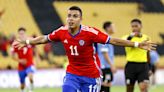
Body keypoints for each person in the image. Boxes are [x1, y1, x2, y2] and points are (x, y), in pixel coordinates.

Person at [13, 6, 156, 92]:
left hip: (91, 76)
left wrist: (137, 44)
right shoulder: (61, 32)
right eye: (69, 16)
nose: (70, 19)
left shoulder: (90, 33)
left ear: (80, 19)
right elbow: (44, 38)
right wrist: (27, 41)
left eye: (75, 16)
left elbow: (112, 40)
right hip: (72, 74)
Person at [122, 19, 152, 92]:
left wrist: (150, 67)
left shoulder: (146, 38)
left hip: (143, 66)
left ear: (141, 26)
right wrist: (131, 37)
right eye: (132, 26)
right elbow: (125, 44)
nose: (134, 28)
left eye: (136, 26)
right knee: (129, 89)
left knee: (144, 88)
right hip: (130, 66)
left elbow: (148, 54)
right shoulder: (125, 38)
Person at [11, 27, 37, 92]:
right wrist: (19, 60)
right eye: (20, 34)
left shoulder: (30, 40)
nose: (21, 35)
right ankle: (22, 90)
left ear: (25, 34)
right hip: (21, 66)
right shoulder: (15, 43)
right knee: (22, 84)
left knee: (30, 77)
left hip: (30, 64)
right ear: (18, 34)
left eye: (23, 33)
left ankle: (31, 89)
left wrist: (37, 59)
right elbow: (12, 55)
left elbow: (36, 48)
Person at [98, 21, 116, 92]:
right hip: (104, 66)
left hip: (106, 66)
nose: (114, 28)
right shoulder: (104, 38)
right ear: (108, 28)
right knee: (105, 85)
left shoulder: (108, 38)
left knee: (107, 84)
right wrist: (111, 65)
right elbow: (104, 52)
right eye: (113, 27)